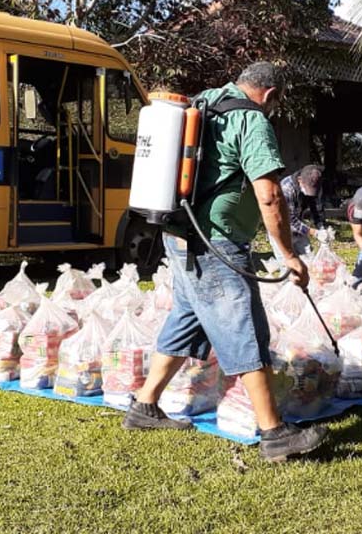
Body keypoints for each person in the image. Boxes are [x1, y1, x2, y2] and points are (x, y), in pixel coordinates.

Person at [122, 62, 327, 462]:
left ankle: (144, 405)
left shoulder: (205, 104)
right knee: (245, 328)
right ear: (270, 95)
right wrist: (288, 255)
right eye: (276, 103)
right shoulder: (251, 120)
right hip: (215, 242)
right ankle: (274, 433)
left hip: (180, 234)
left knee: (187, 317)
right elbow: (269, 195)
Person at [268, 164, 325, 261]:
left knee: (309, 260)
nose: (309, 193)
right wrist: (313, 232)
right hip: (281, 228)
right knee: (288, 265)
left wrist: (321, 226)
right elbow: (289, 220)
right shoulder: (286, 189)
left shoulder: (315, 185)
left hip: (298, 228)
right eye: (307, 189)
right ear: (299, 180)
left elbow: (316, 207)